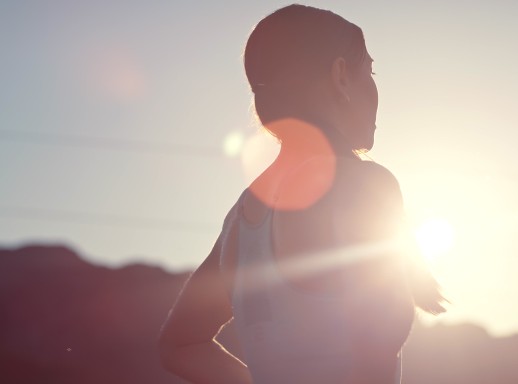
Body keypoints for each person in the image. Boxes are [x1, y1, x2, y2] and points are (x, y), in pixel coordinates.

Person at [158, 4, 447, 384]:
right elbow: (375, 344)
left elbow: (179, 346)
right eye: (370, 71)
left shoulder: (241, 219)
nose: (376, 89)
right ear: (341, 75)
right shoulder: (366, 184)